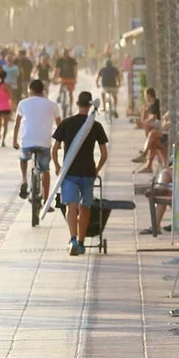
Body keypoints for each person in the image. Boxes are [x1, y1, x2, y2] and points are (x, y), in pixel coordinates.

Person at [51, 90, 109, 256]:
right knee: (85, 207)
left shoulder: (67, 123)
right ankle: (82, 242)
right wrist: (96, 170)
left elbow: (54, 149)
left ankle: (73, 238)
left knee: (71, 206)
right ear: (90, 105)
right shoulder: (95, 126)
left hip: (69, 172)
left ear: (77, 103)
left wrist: (57, 166)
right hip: (88, 173)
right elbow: (104, 154)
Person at [12, 78, 62, 203]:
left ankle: (24, 179)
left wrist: (14, 141)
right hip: (44, 143)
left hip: (27, 143)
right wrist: (59, 143)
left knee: (23, 159)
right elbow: (60, 126)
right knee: (45, 170)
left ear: (31, 90)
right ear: (43, 91)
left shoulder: (23, 103)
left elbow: (17, 123)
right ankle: (46, 201)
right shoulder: (52, 105)